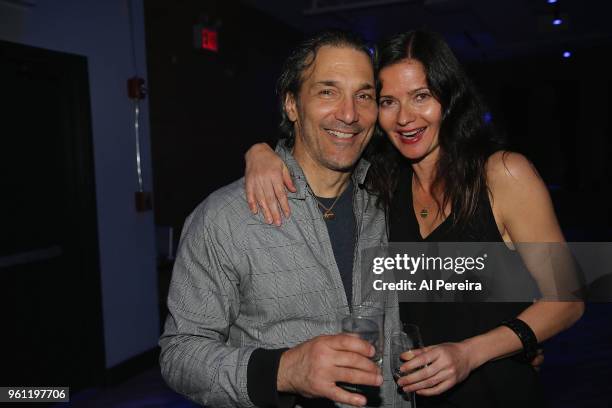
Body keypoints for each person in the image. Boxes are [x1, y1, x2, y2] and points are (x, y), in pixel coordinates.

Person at [243, 30, 584, 407]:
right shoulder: (381, 189)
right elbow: (315, 155)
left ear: (449, 99)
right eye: (388, 101)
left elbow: (568, 299)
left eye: (421, 96)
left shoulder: (502, 174)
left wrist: (470, 353)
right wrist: (261, 153)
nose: (405, 118)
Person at [160, 30, 408, 408]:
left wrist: (501, 342)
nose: (349, 113)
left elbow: (472, 279)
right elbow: (179, 355)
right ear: (292, 104)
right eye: (328, 91)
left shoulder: (389, 204)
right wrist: (283, 370)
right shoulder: (226, 218)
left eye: (364, 96)